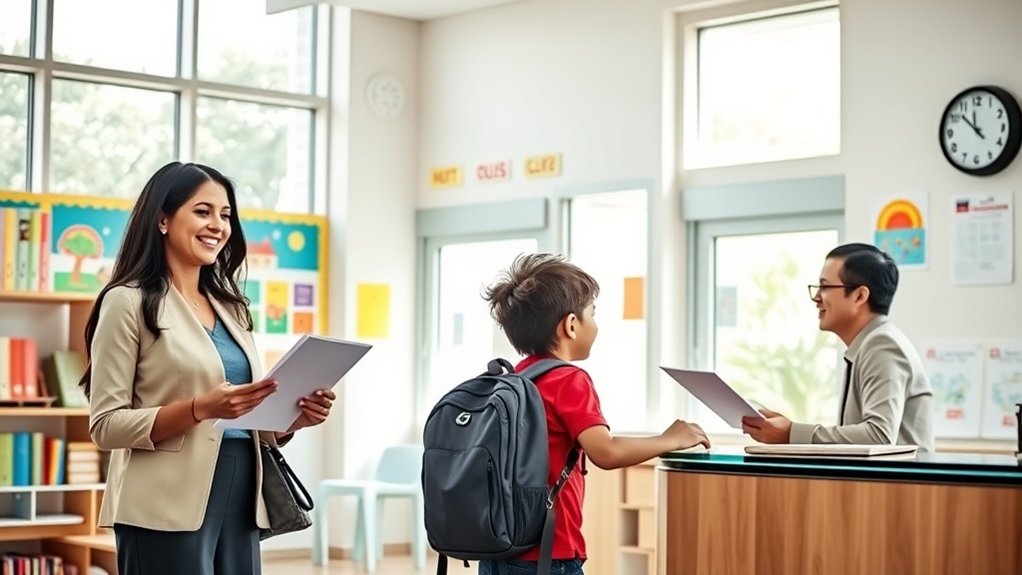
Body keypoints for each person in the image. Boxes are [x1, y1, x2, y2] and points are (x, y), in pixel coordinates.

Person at [79, 161, 336, 575]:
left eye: (225, 215)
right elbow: (106, 426)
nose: (218, 225)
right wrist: (199, 408)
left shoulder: (233, 307)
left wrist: (295, 420)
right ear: (162, 218)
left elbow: (245, 419)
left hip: (243, 493)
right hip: (162, 503)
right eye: (203, 211)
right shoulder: (126, 302)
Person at [479, 253, 710, 575]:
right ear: (571, 325)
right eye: (593, 314)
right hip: (550, 553)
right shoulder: (568, 379)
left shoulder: (513, 380)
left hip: (497, 551)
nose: (596, 325)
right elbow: (606, 451)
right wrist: (669, 439)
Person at [741, 243, 934, 453]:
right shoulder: (870, 344)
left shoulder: (882, 345)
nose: (816, 297)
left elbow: (880, 436)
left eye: (825, 287)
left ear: (860, 296)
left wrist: (791, 433)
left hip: (901, 485)